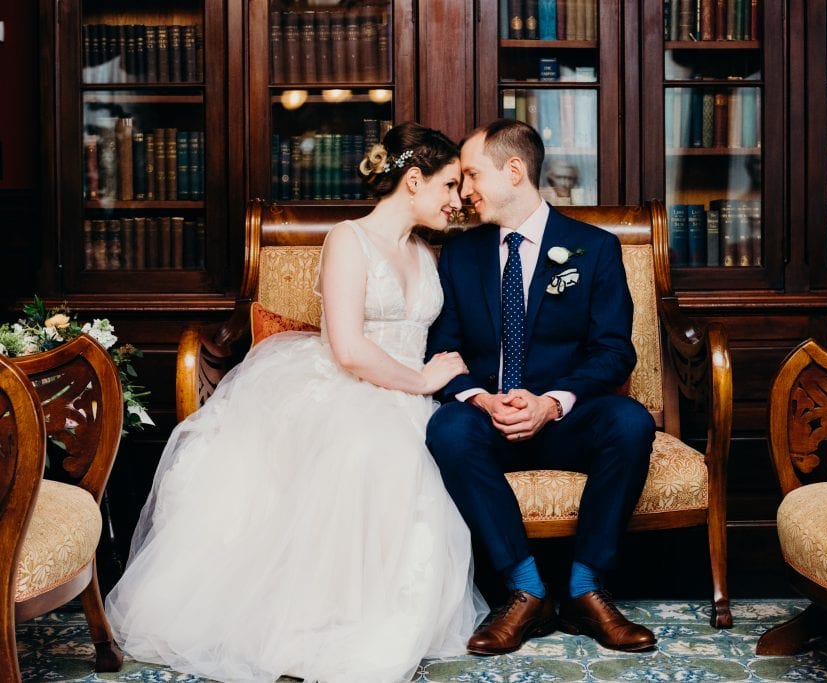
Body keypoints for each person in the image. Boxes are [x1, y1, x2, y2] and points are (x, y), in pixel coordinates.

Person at [105, 122, 488, 683]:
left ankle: (383, 611)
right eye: (450, 185)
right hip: (352, 387)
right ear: (413, 180)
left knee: (427, 446)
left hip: (411, 393)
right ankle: (320, 620)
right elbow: (350, 350)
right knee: (369, 446)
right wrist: (422, 381)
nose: (458, 200)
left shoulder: (427, 254)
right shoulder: (347, 240)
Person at [426, 119, 658, 656]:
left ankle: (584, 588)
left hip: (563, 420)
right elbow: (443, 347)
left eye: (471, 176)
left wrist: (551, 403)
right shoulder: (461, 255)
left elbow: (614, 351)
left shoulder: (592, 248)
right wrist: (480, 398)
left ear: (513, 171)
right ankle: (526, 588)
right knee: (447, 428)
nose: (464, 191)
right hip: (488, 419)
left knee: (630, 422)